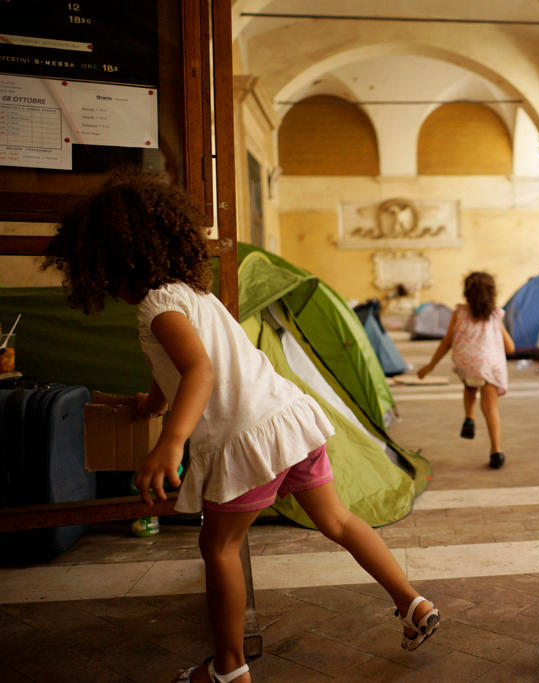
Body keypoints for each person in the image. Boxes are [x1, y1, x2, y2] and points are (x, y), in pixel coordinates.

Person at [44, 175, 439, 683]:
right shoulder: (192, 294)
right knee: (338, 520)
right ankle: (413, 603)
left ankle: (229, 669)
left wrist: (171, 442)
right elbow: (179, 365)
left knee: (219, 548)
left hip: (244, 441)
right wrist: (154, 402)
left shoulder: (156, 307)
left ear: (118, 260)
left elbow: (201, 371)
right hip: (287, 422)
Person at [417, 271, 515, 469]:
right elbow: (510, 348)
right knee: (490, 408)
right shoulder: (495, 315)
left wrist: (430, 366)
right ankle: (497, 451)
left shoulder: (459, 312)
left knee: (470, 383)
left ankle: (469, 417)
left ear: (467, 293)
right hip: (489, 365)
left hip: (466, 362)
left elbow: (447, 342)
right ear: (492, 294)